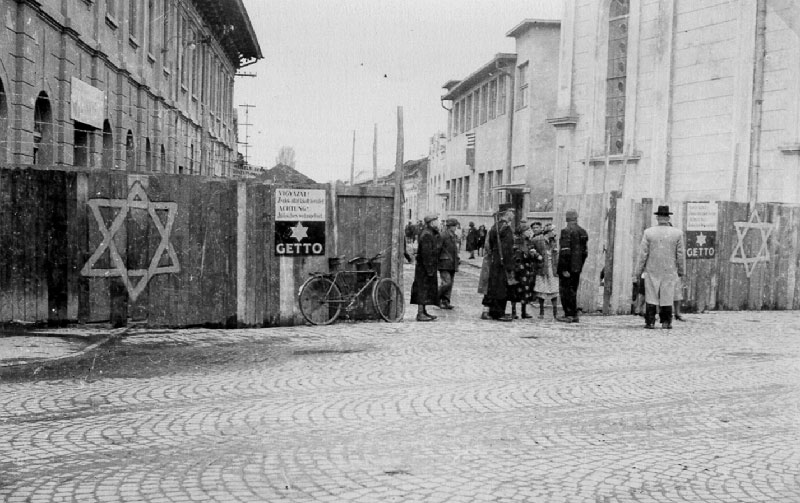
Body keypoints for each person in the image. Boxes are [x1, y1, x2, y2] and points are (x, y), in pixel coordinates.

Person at [635, 205, 686, 329]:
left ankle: (650, 321)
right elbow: (680, 254)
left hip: (652, 268)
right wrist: (681, 269)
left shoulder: (649, 232)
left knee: (651, 295)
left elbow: (643, 254)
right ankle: (666, 321)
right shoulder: (677, 233)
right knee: (667, 295)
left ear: (657, 218)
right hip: (669, 268)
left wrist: (638, 270)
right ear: (668, 218)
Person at [481, 207, 515, 321]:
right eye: (512, 212)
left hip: (494, 260)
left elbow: (489, 245)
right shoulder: (506, 228)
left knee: (494, 286)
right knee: (501, 288)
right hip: (503, 261)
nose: (513, 214)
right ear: (506, 214)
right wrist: (510, 265)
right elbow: (507, 249)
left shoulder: (494, 227)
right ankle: (499, 313)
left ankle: (492, 311)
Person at [557, 209, 589, 323]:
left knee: (565, 291)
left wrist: (564, 268)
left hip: (567, 268)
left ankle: (569, 314)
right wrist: (579, 264)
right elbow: (585, 252)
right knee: (573, 290)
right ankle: (574, 314)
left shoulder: (566, 231)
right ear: (576, 218)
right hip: (577, 267)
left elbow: (565, 251)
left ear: (567, 219)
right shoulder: (583, 231)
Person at [410, 214, 441, 322]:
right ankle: (420, 313)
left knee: (425, 290)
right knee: (422, 290)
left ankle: (423, 311)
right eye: (436, 221)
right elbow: (426, 253)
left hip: (425, 267)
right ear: (432, 222)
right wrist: (430, 269)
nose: (438, 223)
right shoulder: (427, 234)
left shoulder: (429, 232)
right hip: (425, 268)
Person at [508, 222, 536, 319]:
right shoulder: (516, 241)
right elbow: (514, 254)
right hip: (517, 269)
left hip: (526, 268)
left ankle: (524, 312)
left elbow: (531, 252)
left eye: (529, 230)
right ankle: (514, 311)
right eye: (527, 230)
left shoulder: (529, 241)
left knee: (525, 290)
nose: (529, 232)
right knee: (515, 290)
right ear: (522, 231)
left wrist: (532, 254)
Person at [532, 223, 560, 319]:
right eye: (553, 231)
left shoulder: (554, 241)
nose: (554, 233)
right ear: (548, 232)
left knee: (554, 289)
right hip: (542, 267)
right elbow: (530, 249)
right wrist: (537, 255)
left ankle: (555, 313)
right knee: (541, 290)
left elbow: (556, 253)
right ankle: (541, 312)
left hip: (552, 268)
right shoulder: (537, 239)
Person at [438, 218, 460, 310]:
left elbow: (455, 250)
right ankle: (435, 297)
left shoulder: (454, 236)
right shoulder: (443, 235)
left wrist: (458, 259)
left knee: (450, 284)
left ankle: (446, 301)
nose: (455, 228)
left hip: (452, 262)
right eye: (454, 226)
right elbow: (437, 248)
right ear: (450, 226)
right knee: (446, 283)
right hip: (444, 262)